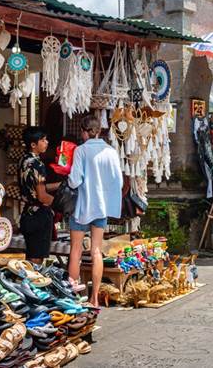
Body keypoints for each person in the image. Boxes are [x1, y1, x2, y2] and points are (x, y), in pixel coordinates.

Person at [67, 115, 124, 307]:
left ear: (84, 131)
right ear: (99, 130)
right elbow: (119, 181)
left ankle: (74, 298)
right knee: (97, 251)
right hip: (101, 207)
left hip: (82, 206)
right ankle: (95, 297)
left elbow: (75, 180)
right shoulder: (111, 151)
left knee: (75, 250)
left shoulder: (81, 151)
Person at [18, 127, 60, 264]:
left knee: (31, 256)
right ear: (33, 145)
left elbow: (36, 187)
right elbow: (42, 196)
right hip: (39, 216)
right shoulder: (38, 164)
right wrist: (60, 205)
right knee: (36, 260)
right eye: (43, 140)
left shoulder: (23, 160)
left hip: (27, 214)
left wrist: (59, 185)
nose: (46, 142)